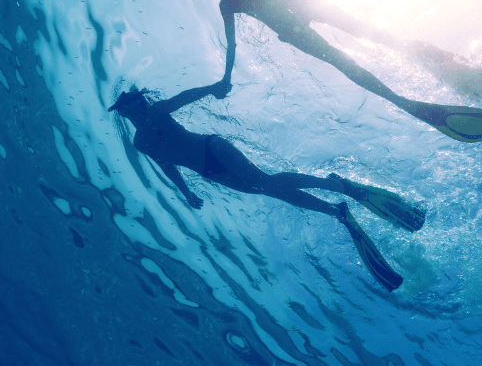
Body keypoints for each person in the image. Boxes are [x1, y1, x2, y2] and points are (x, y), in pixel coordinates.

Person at [110, 83, 424, 291]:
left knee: (265, 181)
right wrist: (187, 192)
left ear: (133, 104)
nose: (124, 111)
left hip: (213, 149)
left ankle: (337, 186)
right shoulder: (140, 142)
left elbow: (184, 98)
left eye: (124, 106)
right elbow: (168, 165)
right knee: (267, 189)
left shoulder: (155, 112)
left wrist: (214, 87)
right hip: (209, 171)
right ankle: (336, 210)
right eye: (122, 109)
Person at [194, 0, 482, 143]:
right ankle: (409, 97)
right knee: (353, 54)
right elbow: (233, 43)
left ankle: (418, 87)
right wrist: (225, 78)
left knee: (360, 46)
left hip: (298, 16)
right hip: (298, 17)